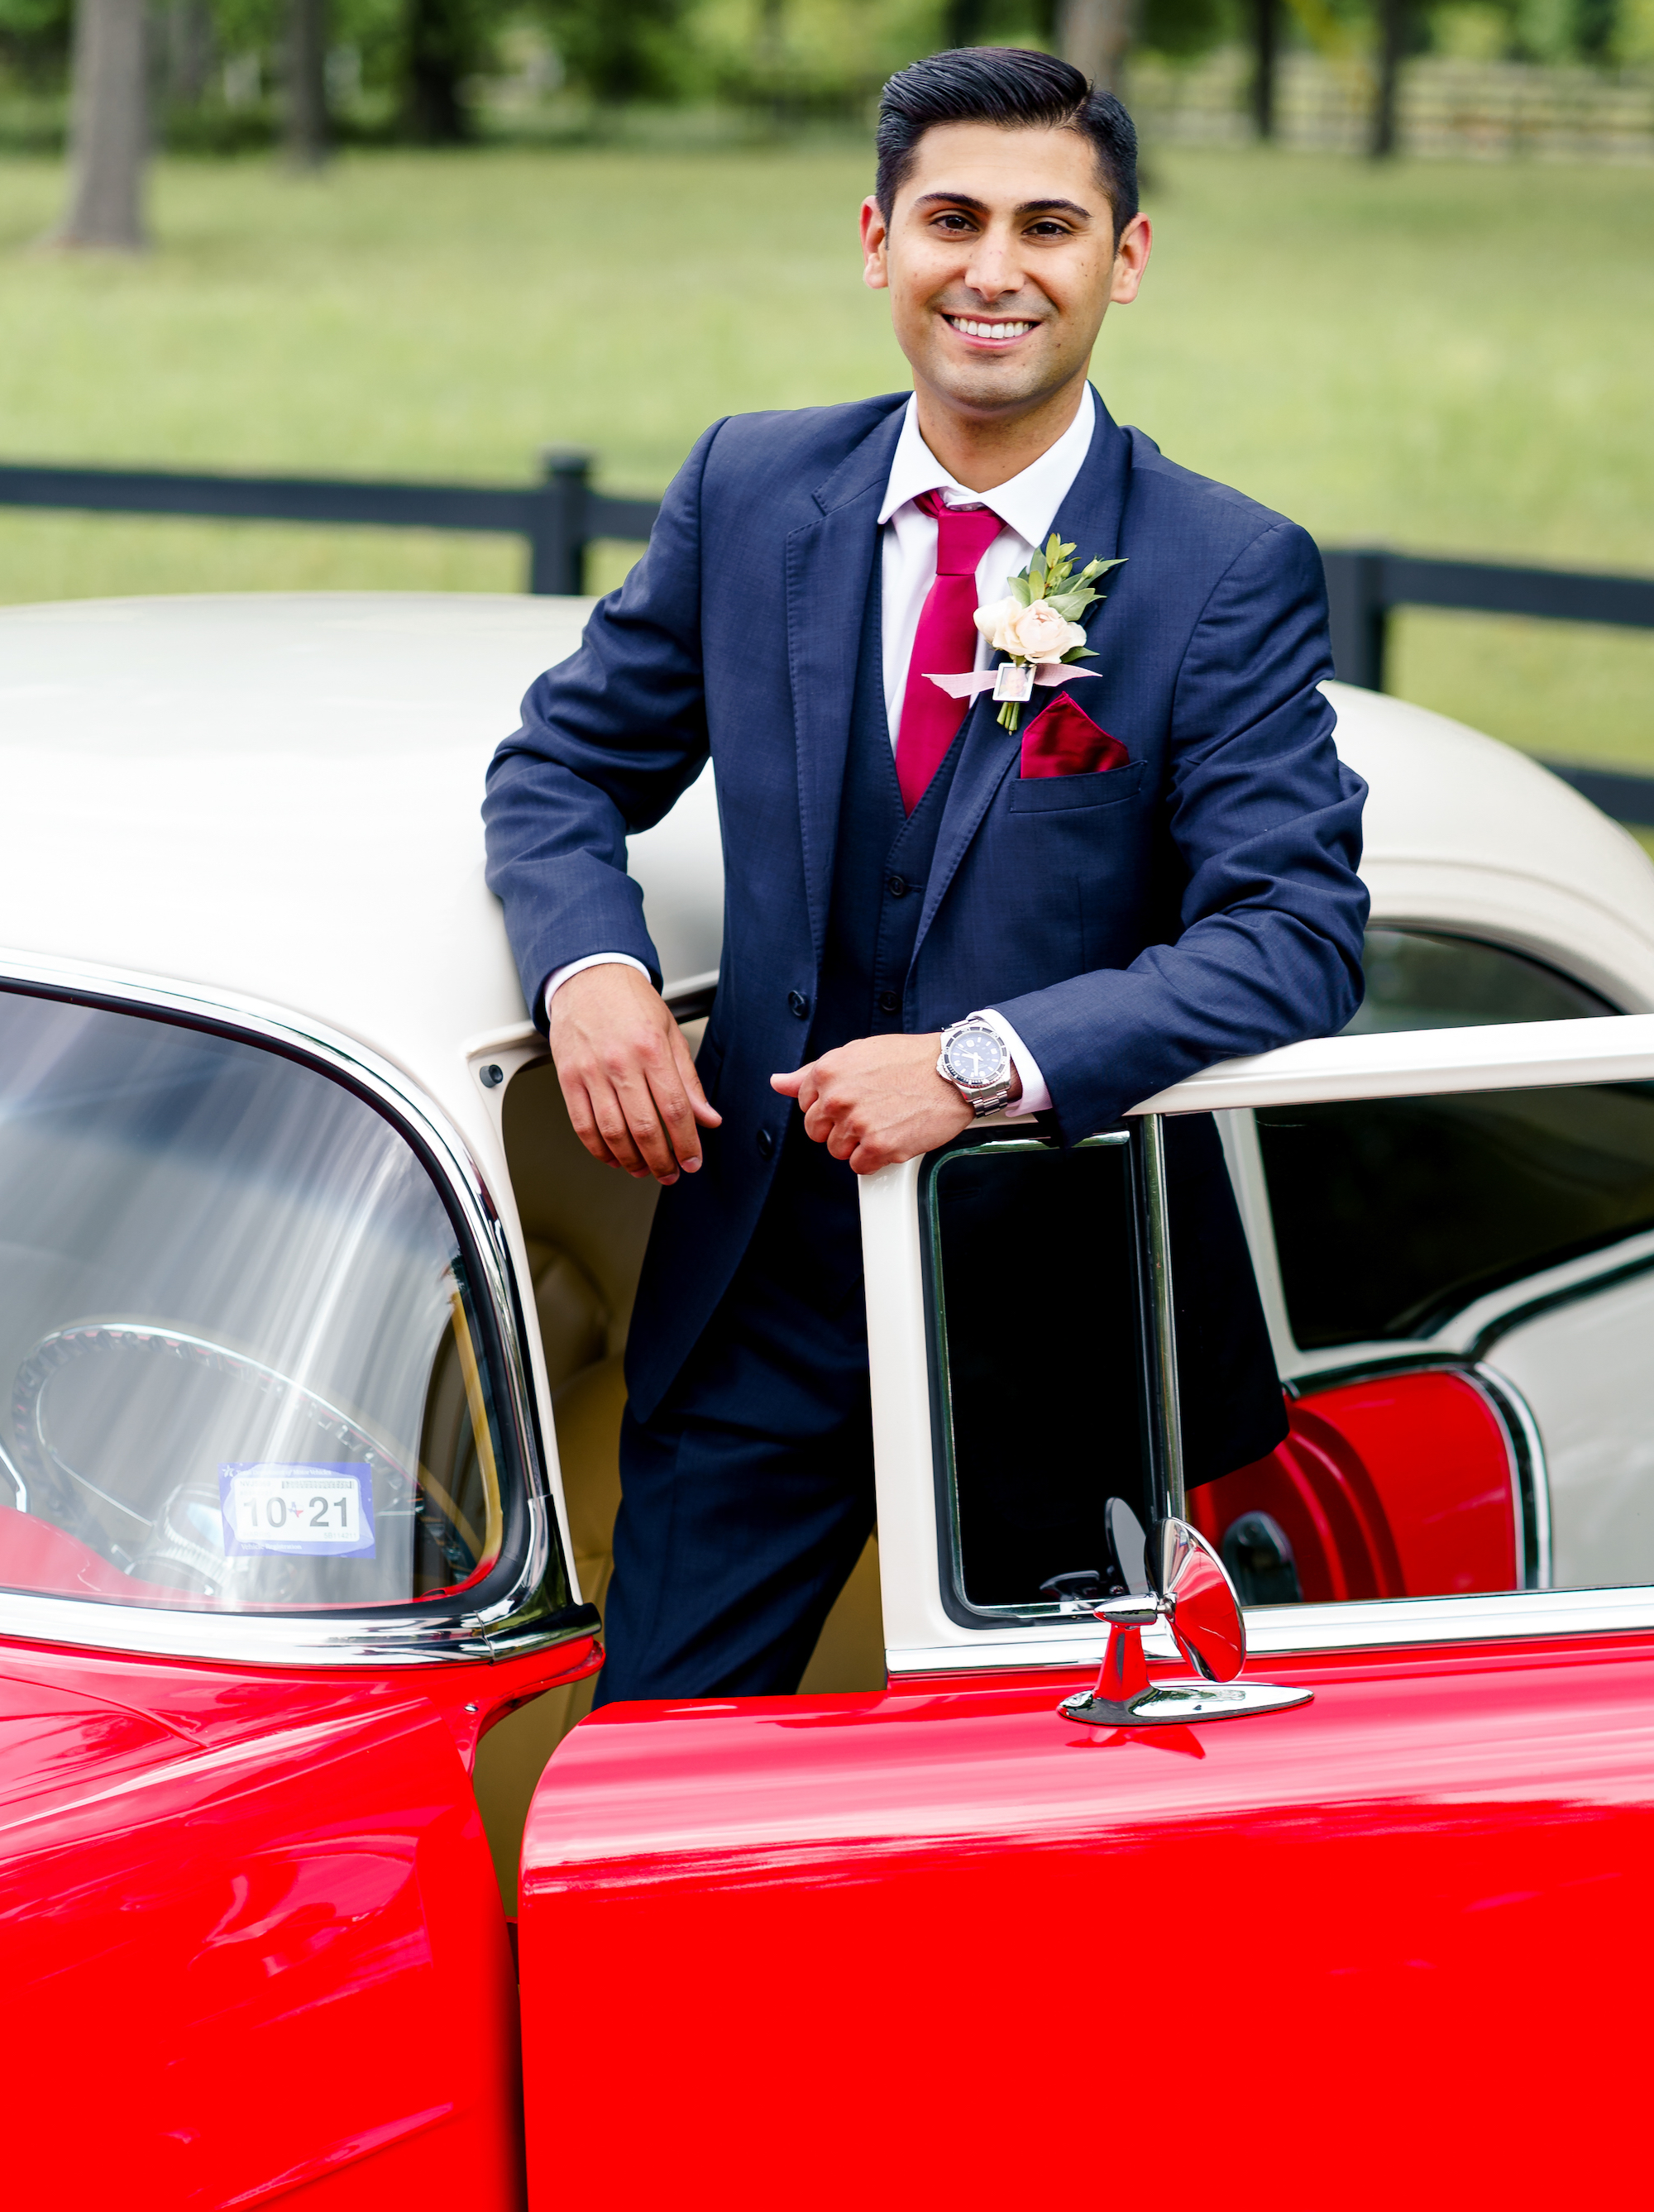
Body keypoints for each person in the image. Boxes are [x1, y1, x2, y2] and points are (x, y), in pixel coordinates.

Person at [483, 44, 1370, 1703]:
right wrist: (587, 967)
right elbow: (560, 766)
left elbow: (1295, 935)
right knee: (663, 1775)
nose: (994, 268)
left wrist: (975, 1068)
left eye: (1048, 226)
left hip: (1061, 1315)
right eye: (951, 218)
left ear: (1124, 259)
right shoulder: (749, 488)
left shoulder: (1218, 567)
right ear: (877, 239)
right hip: (757, 1277)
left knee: (1046, 1811)